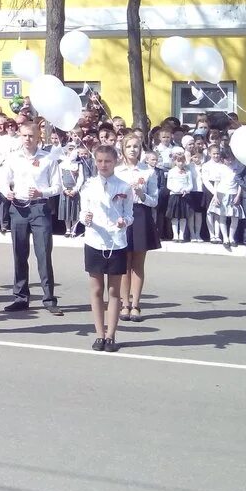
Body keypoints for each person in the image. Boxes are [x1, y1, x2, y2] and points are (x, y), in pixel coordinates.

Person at [0, 120, 62, 315]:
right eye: (24, 135)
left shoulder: (48, 159)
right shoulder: (13, 158)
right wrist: (6, 190)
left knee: (43, 255)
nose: (27, 139)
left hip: (39, 208)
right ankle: (20, 297)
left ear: (38, 137)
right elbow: (1, 179)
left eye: (31, 136)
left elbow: (57, 187)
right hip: (18, 208)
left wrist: (41, 193)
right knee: (19, 254)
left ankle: (49, 298)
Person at [80, 144, 132, 353]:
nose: (103, 165)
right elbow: (82, 213)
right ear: (95, 162)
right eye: (100, 161)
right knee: (96, 289)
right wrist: (86, 219)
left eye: (107, 161)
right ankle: (99, 334)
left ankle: (111, 335)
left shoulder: (124, 186)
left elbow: (130, 214)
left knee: (113, 291)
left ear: (115, 162)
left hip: (116, 242)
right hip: (94, 241)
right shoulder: (89, 185)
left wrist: (124, 222)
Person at [116, 132, 160, 322]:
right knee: (123, 264)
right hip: (122, 216)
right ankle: (124, 304)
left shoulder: (148, 171)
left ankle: (136, 305)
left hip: (141, 215)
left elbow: (154, 201)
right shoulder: (117, 171)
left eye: (136, 146)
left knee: (138, 264)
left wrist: (141, 193)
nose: (132, 150)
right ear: (123, 149)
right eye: (129, 146)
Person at [165, 149, 197, 243]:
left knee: (183, 217)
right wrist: (177, 189)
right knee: (174, 217)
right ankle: (175, 235)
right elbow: (169, 185)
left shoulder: (188, 172)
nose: (180, 163)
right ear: (175, 161)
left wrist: (186, 190)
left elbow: (191, 184)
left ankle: (181, 235)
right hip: (174, 195)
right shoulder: (171, 171)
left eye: (182, 161)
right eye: (178, 161)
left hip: (184, 196)